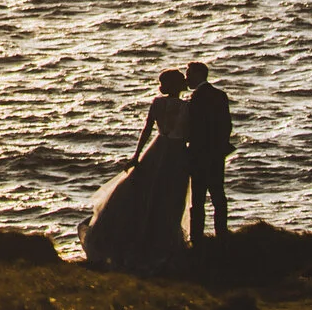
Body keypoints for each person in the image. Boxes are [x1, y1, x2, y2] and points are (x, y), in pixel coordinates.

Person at [80, 68, 193, 270]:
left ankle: (137, 243)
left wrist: (137, 155)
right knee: (168, 199)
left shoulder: (158, 103)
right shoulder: (187, 106)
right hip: (175, 154)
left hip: (157, 150)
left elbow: (147, 130)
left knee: (141, 194)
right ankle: (162, 247)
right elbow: (188, 134)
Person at [185, 60, 234, 242]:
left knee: (198, 199)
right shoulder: (220, 95)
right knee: (218, 195)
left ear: (198, 75)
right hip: (215, 154)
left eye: (189, 74)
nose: (186, 78)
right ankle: (221, 233)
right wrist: (220, 146)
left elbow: (193, 128)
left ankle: (196, 237)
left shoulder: (196, 98)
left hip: (199, 154)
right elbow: (226, 124)